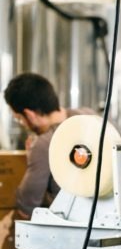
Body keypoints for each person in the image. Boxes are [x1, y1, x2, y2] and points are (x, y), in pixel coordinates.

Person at [3, 73, 94, 219]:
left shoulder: (44, 143)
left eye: (20, 119)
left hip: (70, 227)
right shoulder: (90, 116)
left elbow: (27, 205)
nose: (23, 125)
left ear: (30, 115)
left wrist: (33, 156)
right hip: (106, 220)